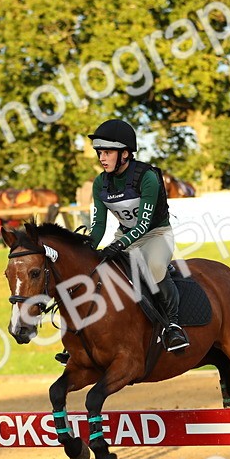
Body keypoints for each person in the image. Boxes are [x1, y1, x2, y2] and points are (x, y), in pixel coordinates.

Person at [87, 119, 189, 352]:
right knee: (96, 272)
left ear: (125, 154)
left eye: (108, 152)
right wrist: (86, 248)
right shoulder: (99, 183)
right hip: (124, 234)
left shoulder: (147, 178)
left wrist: (119, 245)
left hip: (155, 234)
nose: (102, 158)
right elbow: (99, 226)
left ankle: (173, 325)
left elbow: (143, 224)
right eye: (100, 152)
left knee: (153, 266)